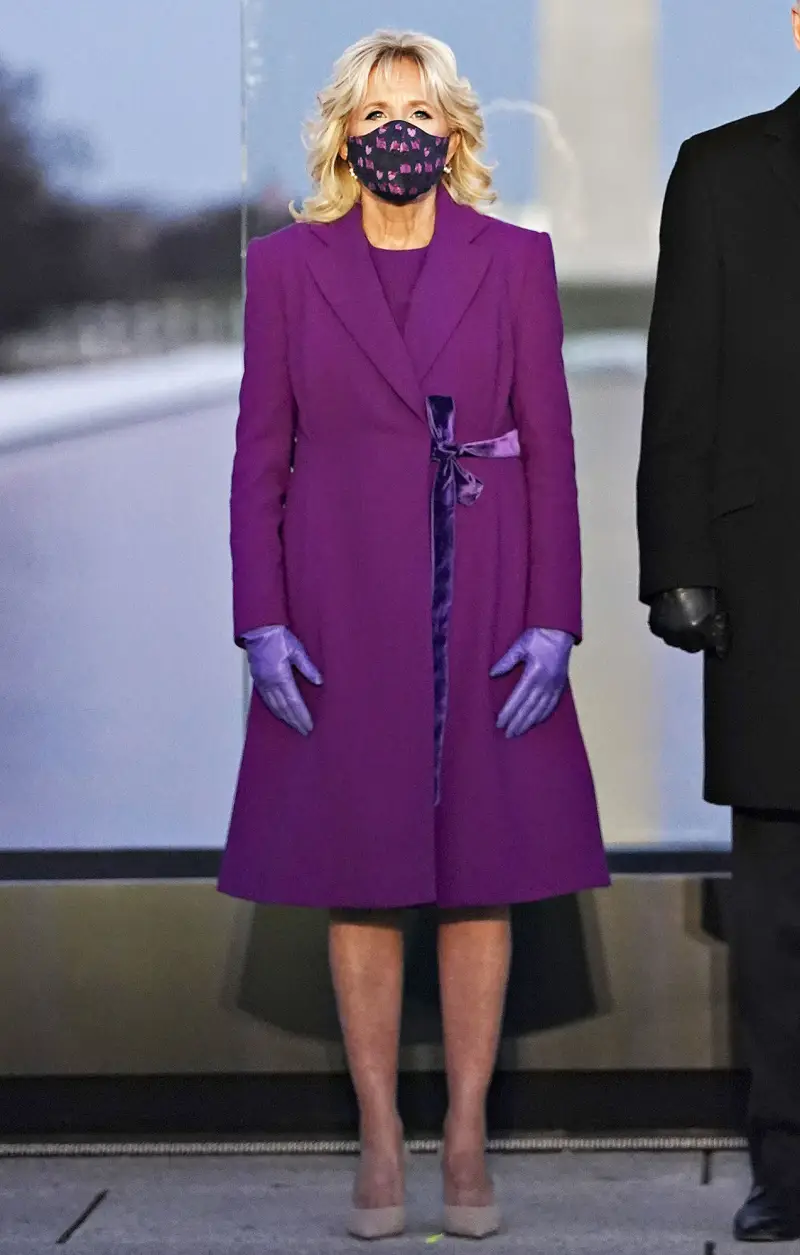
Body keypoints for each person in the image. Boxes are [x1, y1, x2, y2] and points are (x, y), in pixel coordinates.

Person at [218, 28, 608, 1241]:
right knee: (362, 875)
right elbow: (256, 459)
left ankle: (469, 1130)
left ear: (453, 132)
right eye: (378, 110)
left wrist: (553, 618)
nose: (400, 130)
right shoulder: (285, 268)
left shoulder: (514, 261)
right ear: (344, 129)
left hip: (482, 589)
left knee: (484, 868)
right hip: (340, 600)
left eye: (421, 110)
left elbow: (549, 446)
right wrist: (260, 620)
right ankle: (380, 1134)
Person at [637, 8, 800, 1243]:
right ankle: (787, 1166)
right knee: (778, 903)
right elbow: (676, 377)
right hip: (770, 583)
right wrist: (675, 565)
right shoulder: (720, 166)